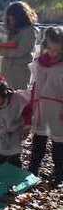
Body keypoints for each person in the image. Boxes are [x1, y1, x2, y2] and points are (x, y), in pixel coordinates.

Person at [28, 27, 63, 184]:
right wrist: (31, 105)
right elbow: (35, 85)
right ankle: (33, 170)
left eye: (58, 51)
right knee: (38, 141)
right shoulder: (39, 63)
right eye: (50, 49)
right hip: (41, 107)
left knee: (59, 143)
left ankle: (59, 173)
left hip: (59, 109)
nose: (53, 54)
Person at [0, 1, 38, 90]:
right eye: (9, 17)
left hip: (19, 70)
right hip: (7, 68)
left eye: (13, 17)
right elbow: (9, 46)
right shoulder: (13, 30)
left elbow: (21, 51)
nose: (10, 20)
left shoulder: (30, 31)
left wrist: (2, 50)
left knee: (18, 97)